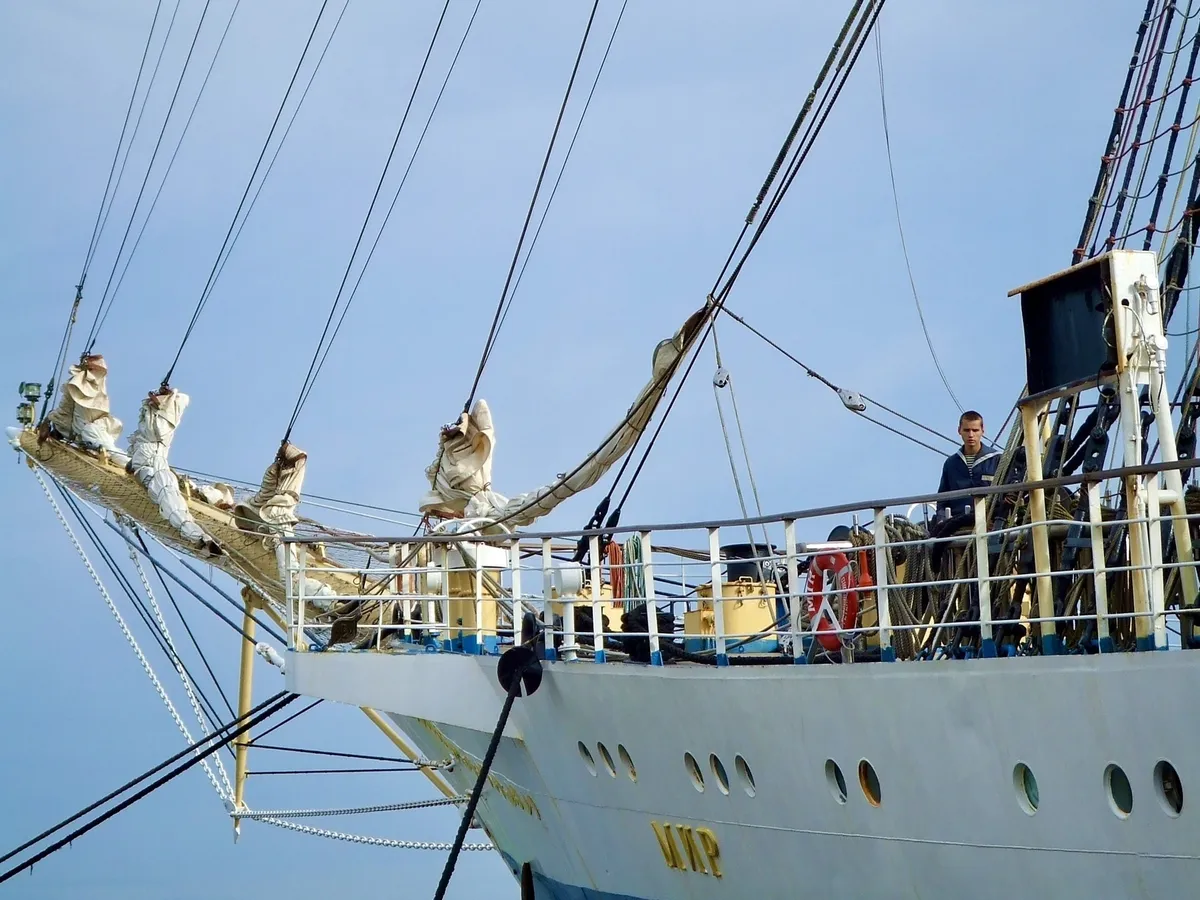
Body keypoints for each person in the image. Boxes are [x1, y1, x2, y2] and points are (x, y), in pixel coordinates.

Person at [936, 410, 1001, 519]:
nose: (971, 435)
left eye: (975, 430)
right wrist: (941, 520)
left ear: (982, 431)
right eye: (966, 430)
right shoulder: (951, 463)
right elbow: (942, 499)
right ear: (959, 431)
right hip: (956, 523)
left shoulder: (997, 459)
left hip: (990, 520)